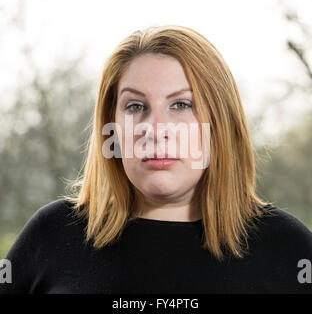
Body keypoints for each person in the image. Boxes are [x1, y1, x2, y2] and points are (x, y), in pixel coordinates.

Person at [1, 25, 311, 294]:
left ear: (221, 125)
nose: (155, 130)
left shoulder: (290, 249)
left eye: (180, 104)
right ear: (112, 126)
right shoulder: (51, 235)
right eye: (135, 107)